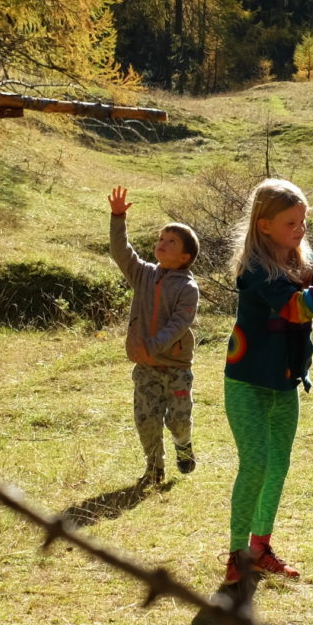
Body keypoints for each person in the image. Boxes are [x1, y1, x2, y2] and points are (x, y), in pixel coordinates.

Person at [222, 177, 313, 587]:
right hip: (248, 381)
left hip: (285, 382)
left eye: (303, 221)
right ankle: (236, 555)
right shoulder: (254, 269)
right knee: (255, 465)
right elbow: (297, 310)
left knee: (278, 466)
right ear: (264, 225)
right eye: (291, 223)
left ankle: (260, 548)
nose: (300, 229)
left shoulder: (308, 261)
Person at [107, 186, 201, 487]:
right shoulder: (144, 274)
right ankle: (154, 469)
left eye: (170, 242)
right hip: (145, 366)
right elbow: (121, 252)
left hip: (176, 368)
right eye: (161, 239)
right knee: (146, 420)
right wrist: (118, 217)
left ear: (185, 256)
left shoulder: (188, 288)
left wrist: (153, 345)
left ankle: (183, 445)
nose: (162, 243)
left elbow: (179, 323)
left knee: (178, 420)